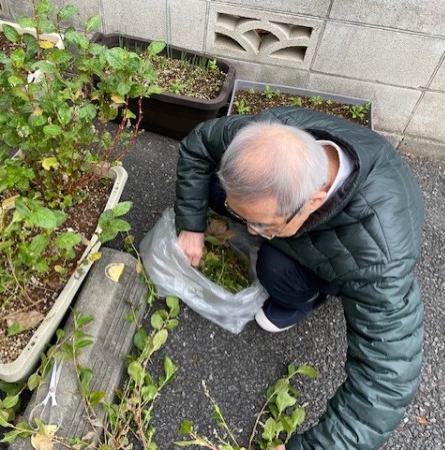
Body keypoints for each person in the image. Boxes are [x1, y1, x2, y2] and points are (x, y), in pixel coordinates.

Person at [175, 106, 424, 450]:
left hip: (345, 253)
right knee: (218, 191)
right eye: (249, 222)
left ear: (314, 201)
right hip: (313, 222)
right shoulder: (265, 140)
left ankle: (306, 299)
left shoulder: (378, 257)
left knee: (273, 269)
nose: (249, 231)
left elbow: (387, 379)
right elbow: (199, 143)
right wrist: (191, 224)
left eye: (262, 225)